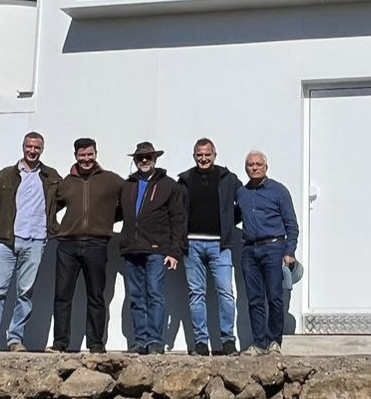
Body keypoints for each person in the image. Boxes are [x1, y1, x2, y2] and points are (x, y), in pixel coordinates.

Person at [0, 132, 59, 352]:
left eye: (37, 148)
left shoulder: (51, 177)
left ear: (42, 149)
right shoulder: (5, 176)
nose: (32, 151)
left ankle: (15, 339)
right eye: (29, 146)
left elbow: (60, 202)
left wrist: (53, 227)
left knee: (25, 293)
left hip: (35, 241)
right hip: (6, 241)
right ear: (23, 147)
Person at [48, 138, 126, 353]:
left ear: (96, 154)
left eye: (89, 154)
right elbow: (51, 206)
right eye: (82, 155)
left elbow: (128, 198)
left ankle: (95, 344)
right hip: (67, 245)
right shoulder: (66, 182)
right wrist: (54, 228)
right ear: (75, 156)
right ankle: (60, 342)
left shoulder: (111, 180)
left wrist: (110, 219)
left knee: (96, 296)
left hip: (96, 244)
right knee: (62, 296)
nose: (86, 159)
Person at [118, 141, 185, 355]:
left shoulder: (168, 185)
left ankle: (155, 341)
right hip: (132, 248)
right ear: (135, 160)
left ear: (155, 159)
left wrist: (174, 251)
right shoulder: (127, 185)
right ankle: (140, 340)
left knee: (155, 295)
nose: (144, 161)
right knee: (136, 297)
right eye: (140, 158)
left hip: (157, 249)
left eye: (148, 157)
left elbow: (178, 219)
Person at [177, 138, 241, 356]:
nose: (203, 159)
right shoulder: (184, 180)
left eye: (207, 155)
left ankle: (228, 341)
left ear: (215, 155)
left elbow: (241, 204)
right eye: (199, 155)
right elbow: (178, 212)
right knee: (196, 294)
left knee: (225, 292)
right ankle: (201, 343)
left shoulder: (228, 179)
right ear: (194, 156)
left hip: (219, 245)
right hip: (192, 244)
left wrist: (230, 226)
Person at [235, 150, 298, 355]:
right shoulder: (242, 193)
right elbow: (233, 218)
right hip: (249, 250)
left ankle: (274, 341)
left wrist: (290, 251)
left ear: (265, 167)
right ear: (246, 169)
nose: (254, 168)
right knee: (254, 299)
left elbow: (291, 224)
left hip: (273, 248)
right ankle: (258, 342)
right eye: (250, 165)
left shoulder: (278, 191)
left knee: (274, 297)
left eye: (258, 164)